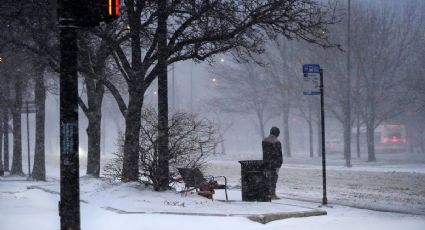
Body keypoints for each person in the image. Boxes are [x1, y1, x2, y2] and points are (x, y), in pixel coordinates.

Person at [262, 126, 283, 199]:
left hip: (266, 162)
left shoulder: (264, 141)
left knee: (267, 178)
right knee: (274, 178)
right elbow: (279, 154)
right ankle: (272, 194)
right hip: (274, 164)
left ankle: (267, 193)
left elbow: (265, 153)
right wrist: (280, 163)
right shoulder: (277, 142)